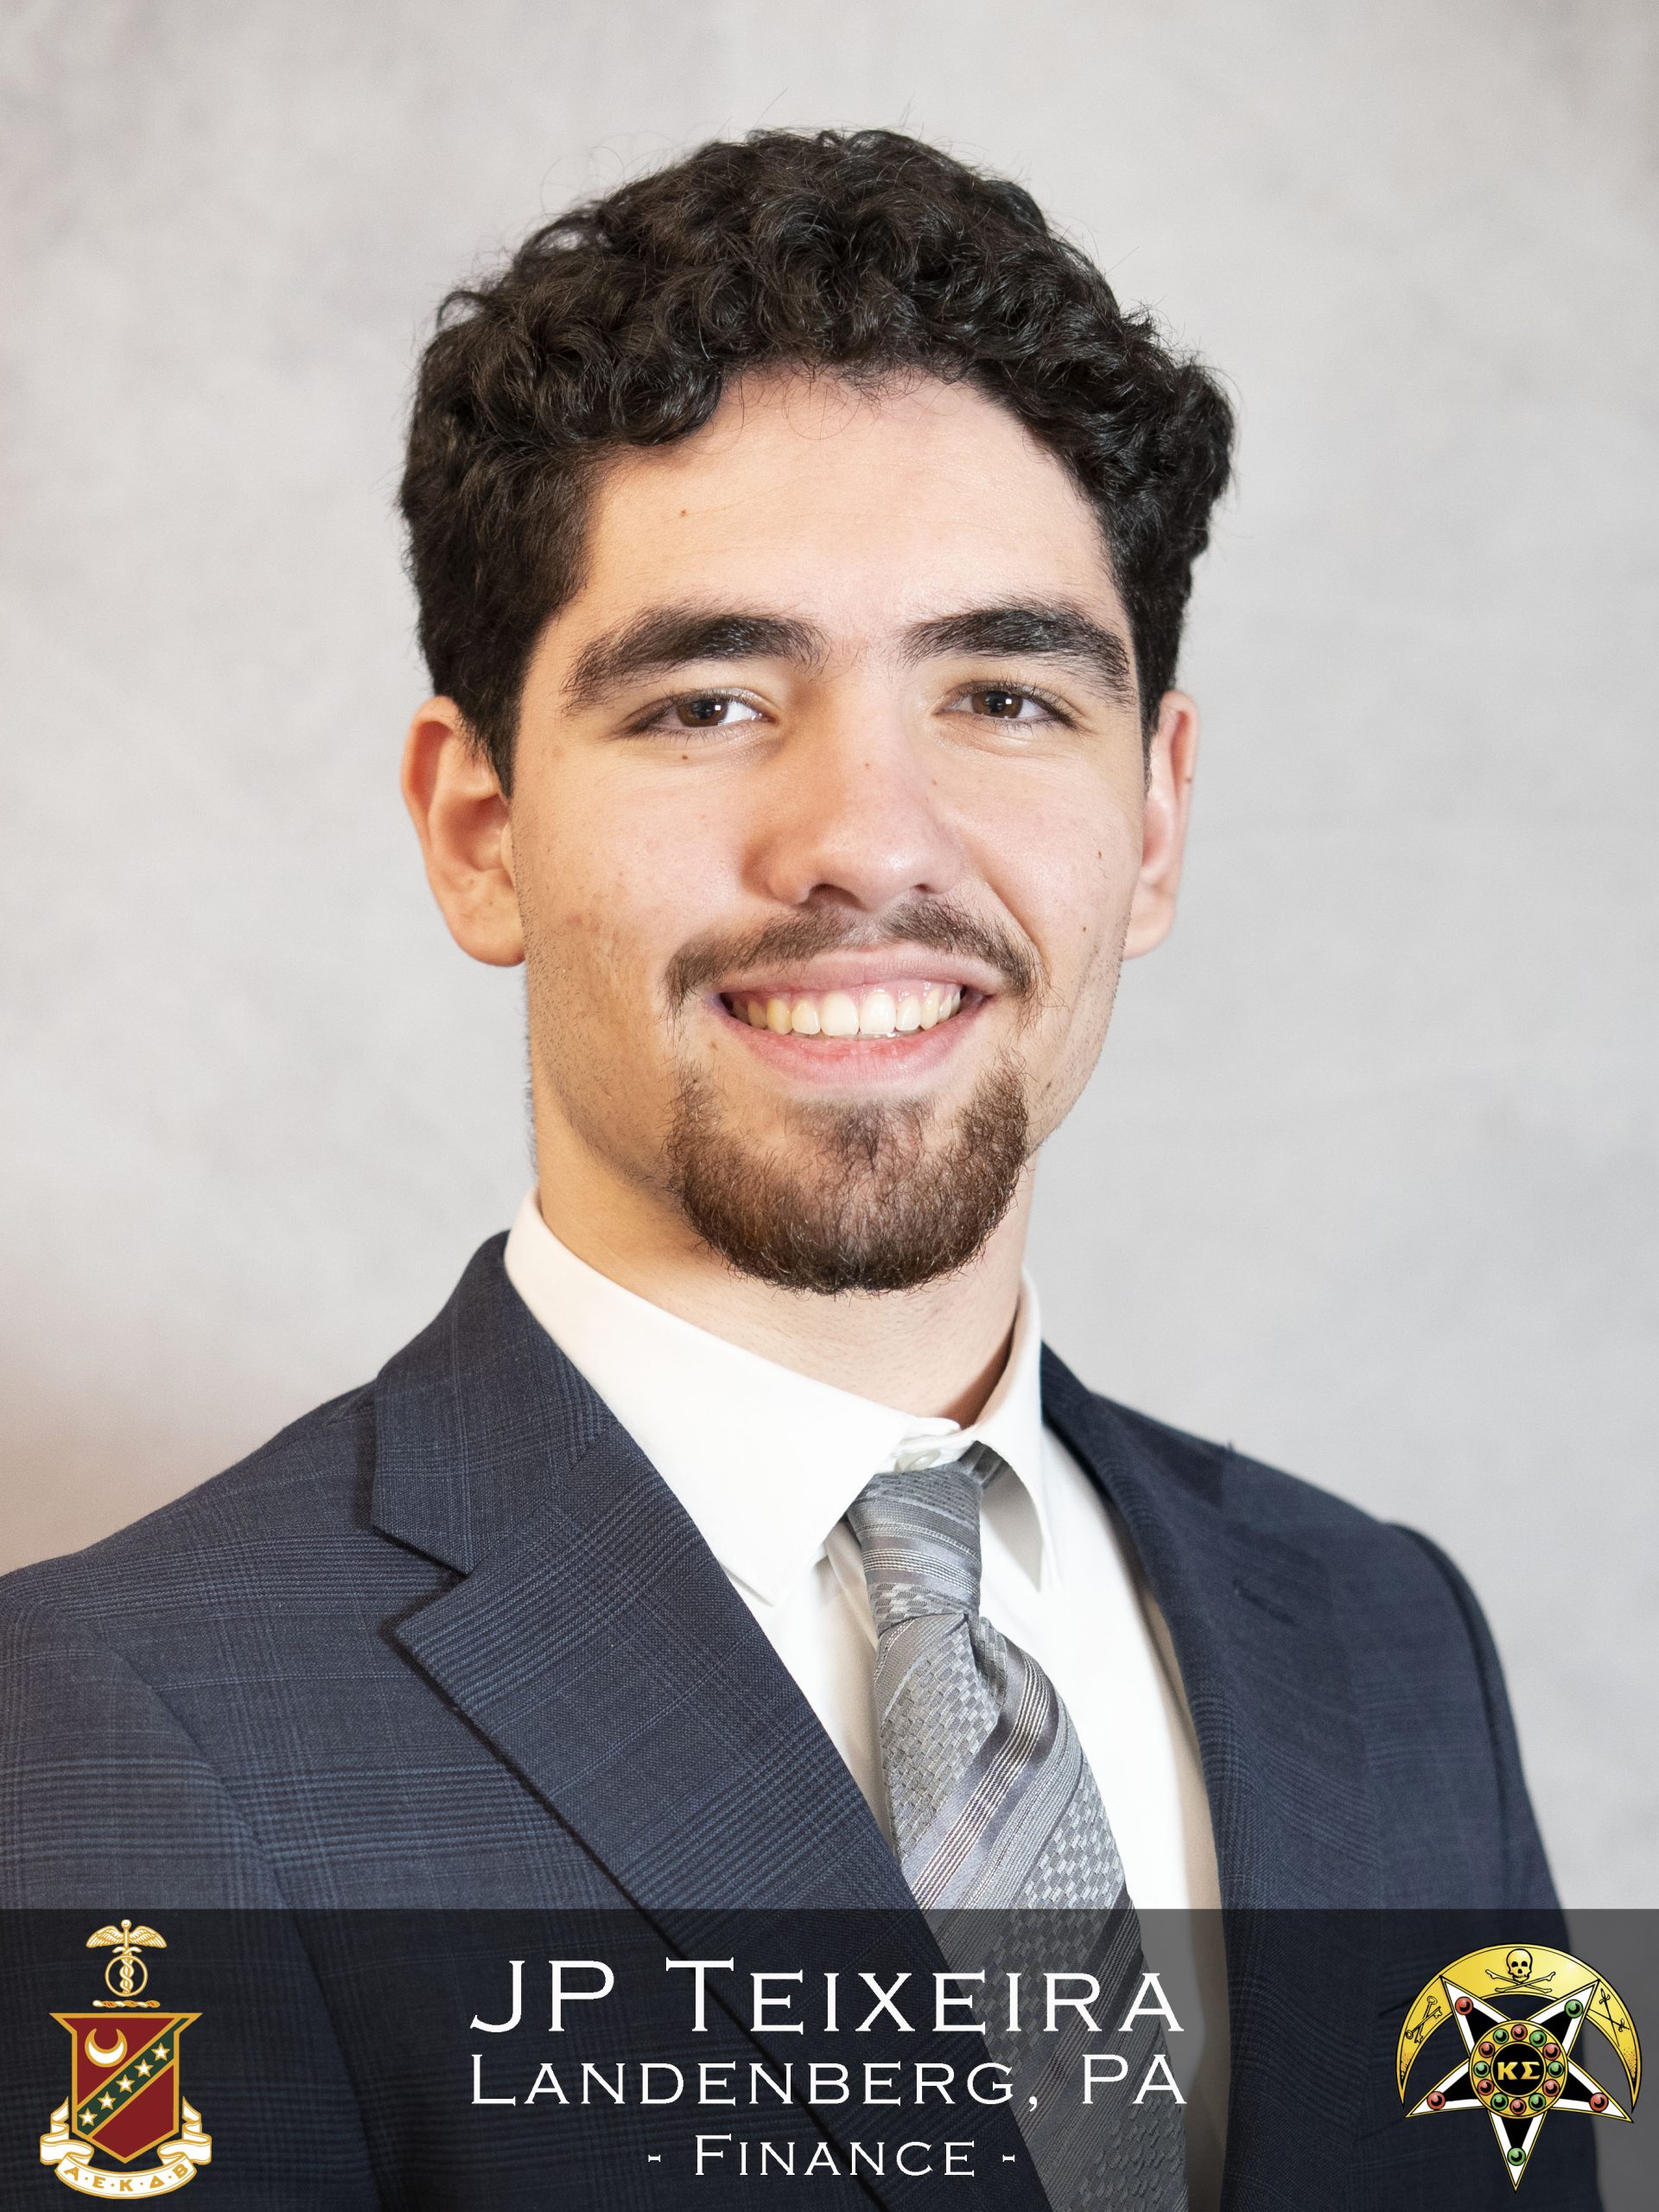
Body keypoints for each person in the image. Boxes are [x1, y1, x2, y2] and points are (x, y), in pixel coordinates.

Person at [0, 131, 1590, 2210]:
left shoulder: (1386, 1646)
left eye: (1004, 692)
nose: (868, 837)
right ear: (479, 829)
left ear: (1156, 817)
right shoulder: (122, 1725)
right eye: (710, 701)